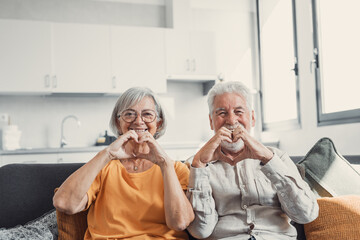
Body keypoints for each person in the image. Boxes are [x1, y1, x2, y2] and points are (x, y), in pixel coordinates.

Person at [53, 87, 194, 240]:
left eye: (147, 114)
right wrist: (107, 154)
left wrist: (164, 163)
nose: (139, 121)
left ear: (158, 123)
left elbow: (180, 223)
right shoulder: (103, 168)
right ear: (118, 122)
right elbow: (64, 203)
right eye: (129, 114)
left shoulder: (175, 169)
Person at [186, 81, 319, 240]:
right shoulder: (196, 165)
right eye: (222, 113)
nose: (231, 120)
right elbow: (201, 230)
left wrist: (268, 159)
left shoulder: (278, 158)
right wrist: (199, 166)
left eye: (238, 111)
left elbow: (307, 214)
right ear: (211, 121)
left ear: (252, 118)